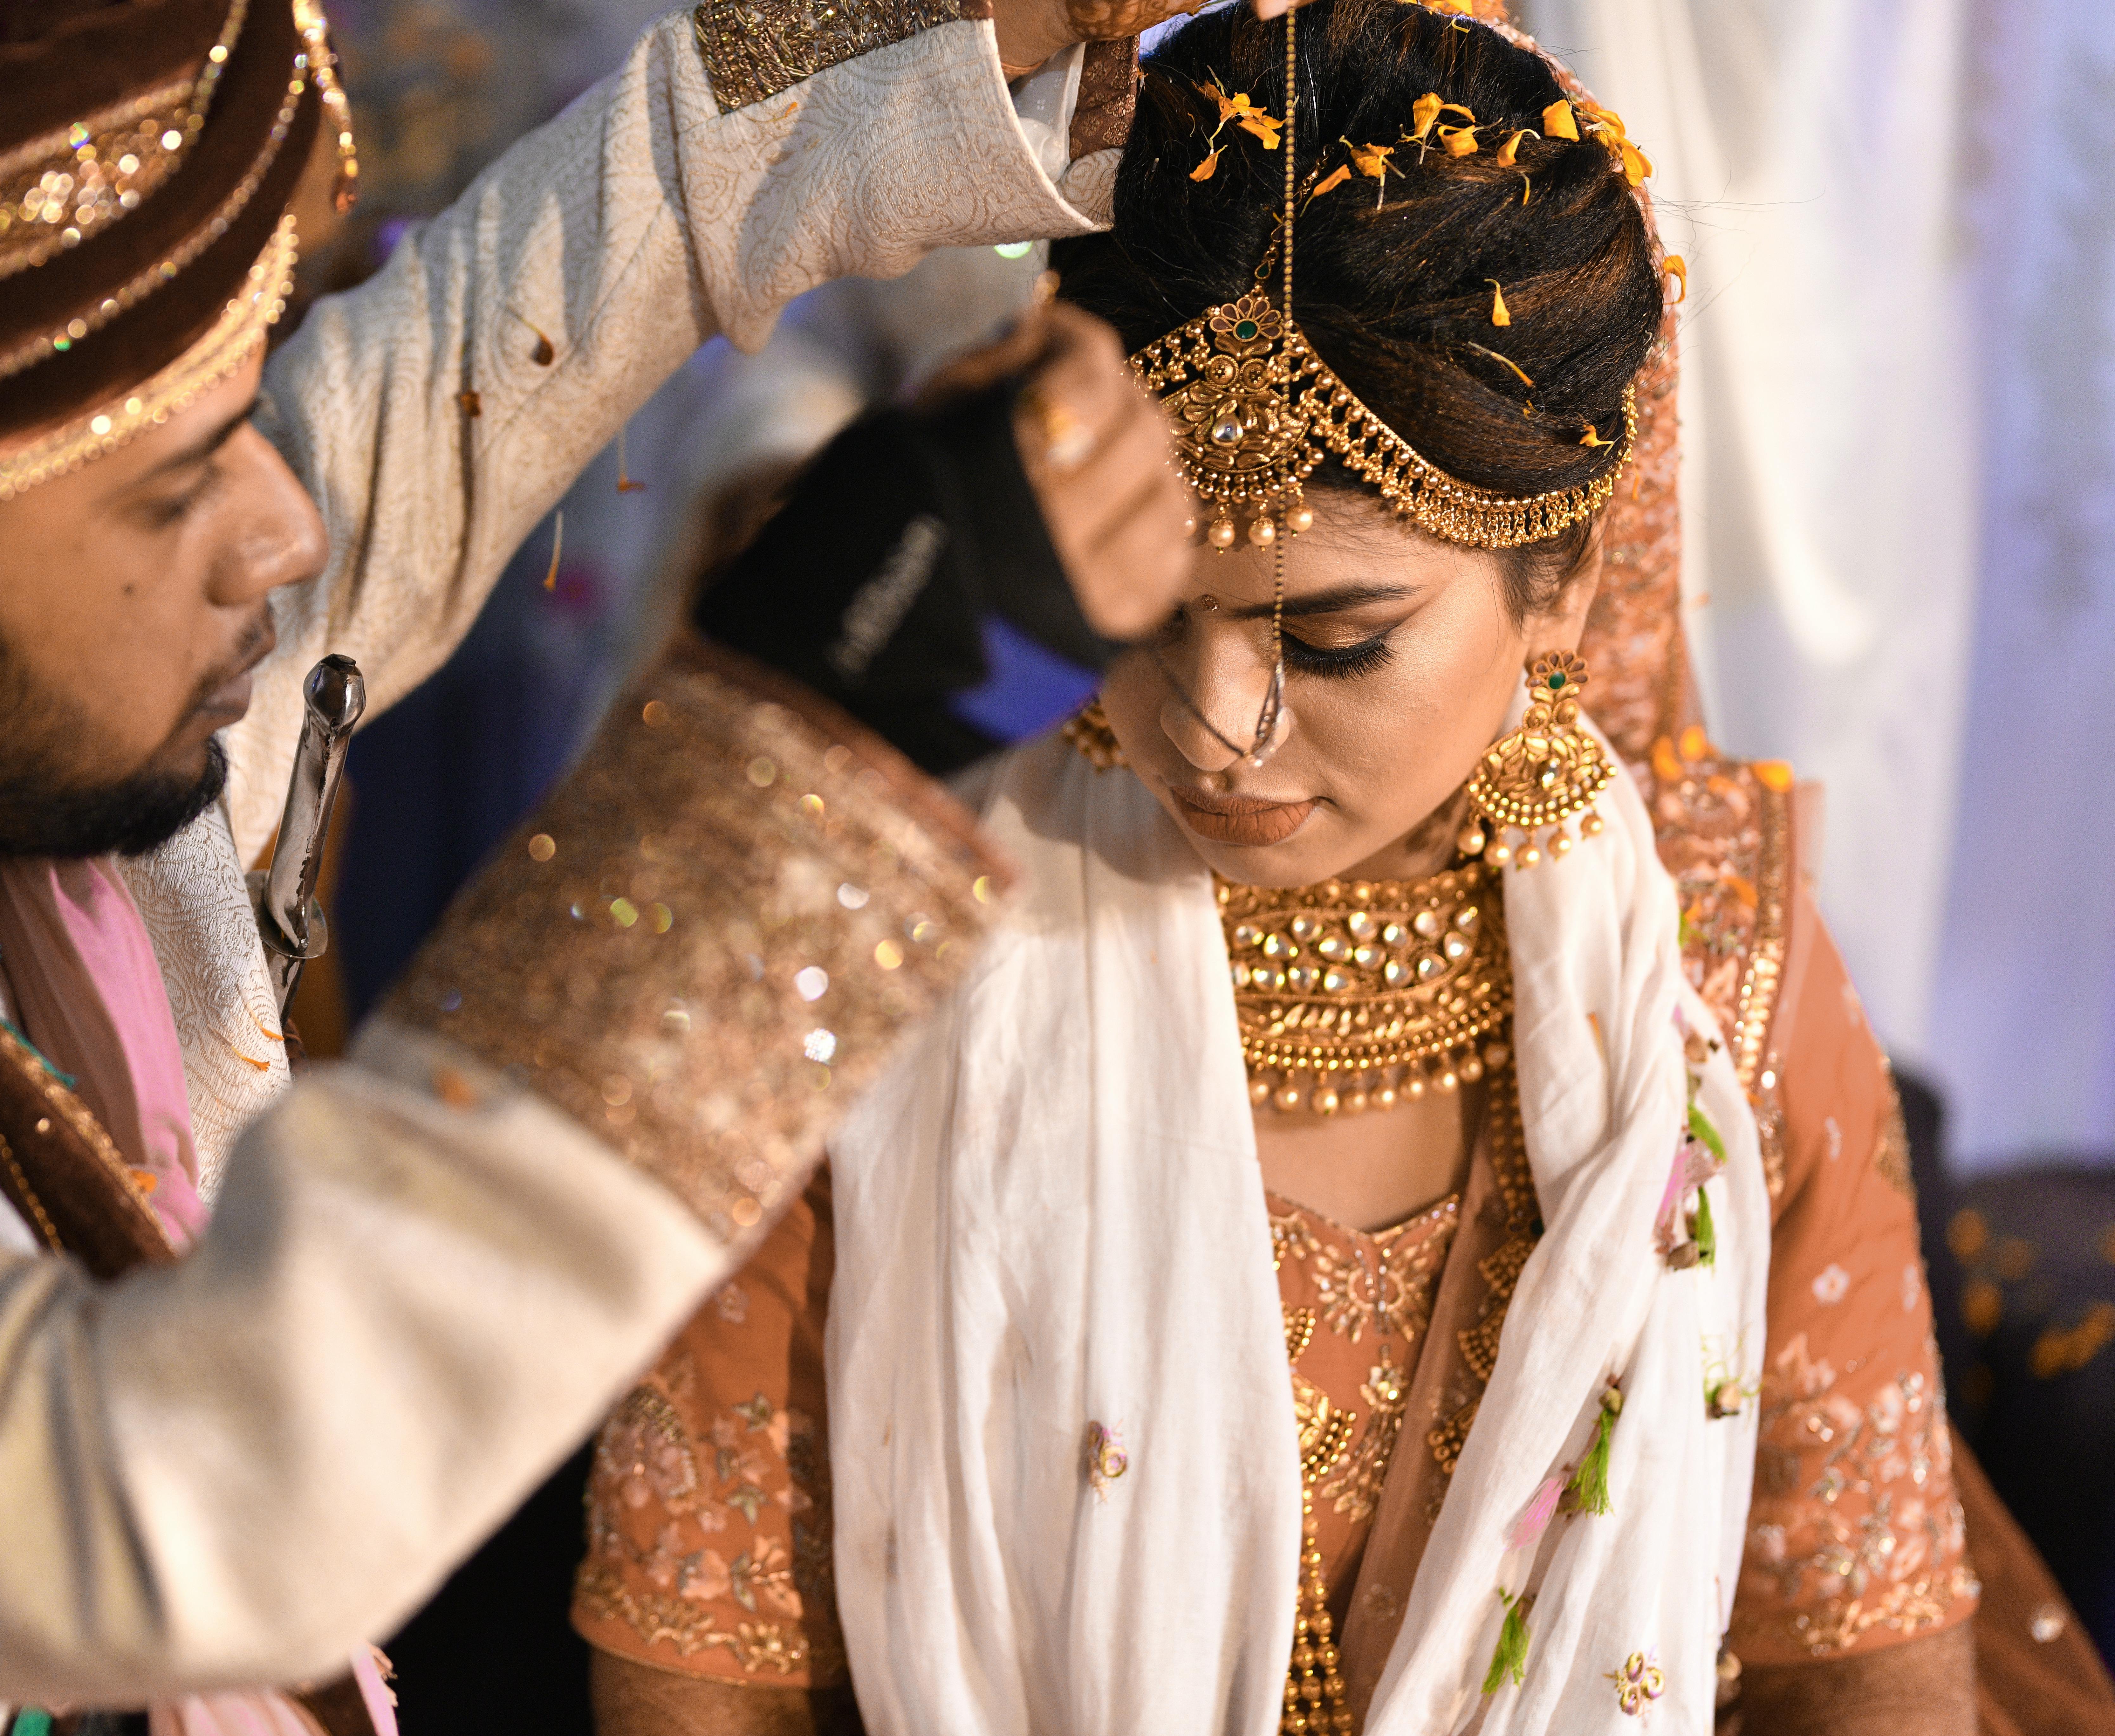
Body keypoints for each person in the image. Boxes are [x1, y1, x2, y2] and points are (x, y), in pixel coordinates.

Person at [0, 0, 1205, 1727]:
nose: (289, 522)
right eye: (182, 490)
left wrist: (926, 25)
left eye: (257, 415)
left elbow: (527, 309)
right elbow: (180, 1503)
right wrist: (801, 756)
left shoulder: (42, 736)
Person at [570, 2, 2114, 1730]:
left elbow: (1858, 1655)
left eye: (1337, 637)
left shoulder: (1714, 968)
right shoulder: (875, 917)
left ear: (1564, 584)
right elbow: (697, 1664)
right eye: (1148, 614)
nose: (1223, 723)